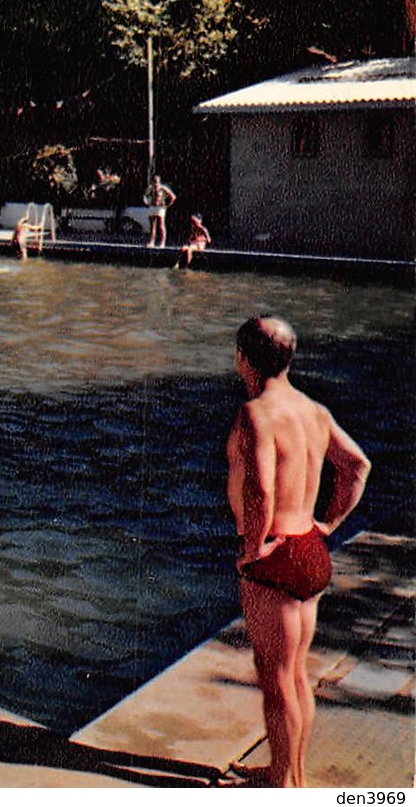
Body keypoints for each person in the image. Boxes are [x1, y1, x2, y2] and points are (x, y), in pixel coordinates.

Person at [225, 315, 370, 788]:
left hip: (277, 555)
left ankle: (285, 787)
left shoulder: (256, 414)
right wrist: (328, 523)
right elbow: (357, 466)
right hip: (308, 545)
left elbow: (261, 492)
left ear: (245, 360)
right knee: (295, 675)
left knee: (275, 679)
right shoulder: (314, 411)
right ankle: (289, 772)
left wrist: (252, 549)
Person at [143, 174, 175, 248]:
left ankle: (162, 243)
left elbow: (173, 197)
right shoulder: (151, 188)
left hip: (160, 208)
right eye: (154, 182)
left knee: (161, 225)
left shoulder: (163, 188)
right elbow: (144, 195)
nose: (156, 183)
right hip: (152, 207)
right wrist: (147, 202)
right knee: (152, 226)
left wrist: (167, 205)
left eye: (157, 182)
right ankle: (151, 242)